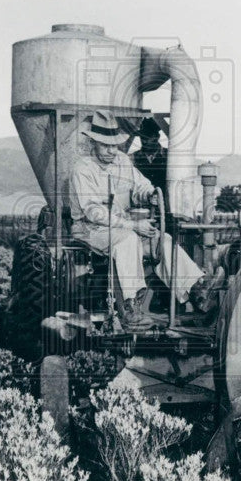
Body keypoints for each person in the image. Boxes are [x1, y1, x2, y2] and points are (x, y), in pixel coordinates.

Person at [68, 110, 223, 329]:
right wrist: (132, 225)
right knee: (128, 240)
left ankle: (197, 290)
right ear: (93, 142)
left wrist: (148, 193)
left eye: (115, 145)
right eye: (106, 145)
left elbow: (138, 184)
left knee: (162, 240)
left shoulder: (122, 161)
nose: (112, 150)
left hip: (122, 225)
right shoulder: (82, 170)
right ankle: (131, 307)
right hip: (91, 229)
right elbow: (94, 212)